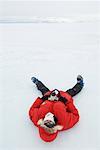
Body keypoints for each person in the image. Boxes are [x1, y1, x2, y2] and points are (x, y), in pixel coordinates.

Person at [29, 75, 84, 142]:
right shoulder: (65, 122)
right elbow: (75, 115)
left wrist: (43, 99)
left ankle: (37, 82)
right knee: (72, 92)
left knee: (43, 89)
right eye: (51, 124)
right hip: (63, 99)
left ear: (42, 124)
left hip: (49, 97)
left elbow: (33, 108)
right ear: (55, 126)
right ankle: (80, 84)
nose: (48, 121)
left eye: (46, 124)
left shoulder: (37, 118)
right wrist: (66, 102)